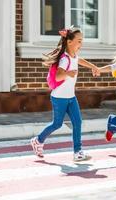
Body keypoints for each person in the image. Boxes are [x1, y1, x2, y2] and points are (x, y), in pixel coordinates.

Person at [30, 26, 100, 161]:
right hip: (59, 98)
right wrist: (68, 73)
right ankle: (38, 141)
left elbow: (79, 60)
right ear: (69, 42)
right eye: (79, 41)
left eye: (82, 40)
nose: (81, 43)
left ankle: (78, 152)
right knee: (57, 124)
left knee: (77, 123)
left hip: (71, 98)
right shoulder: (65, 59)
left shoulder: (73, 56)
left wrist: (94, 67)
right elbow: (58, 76)